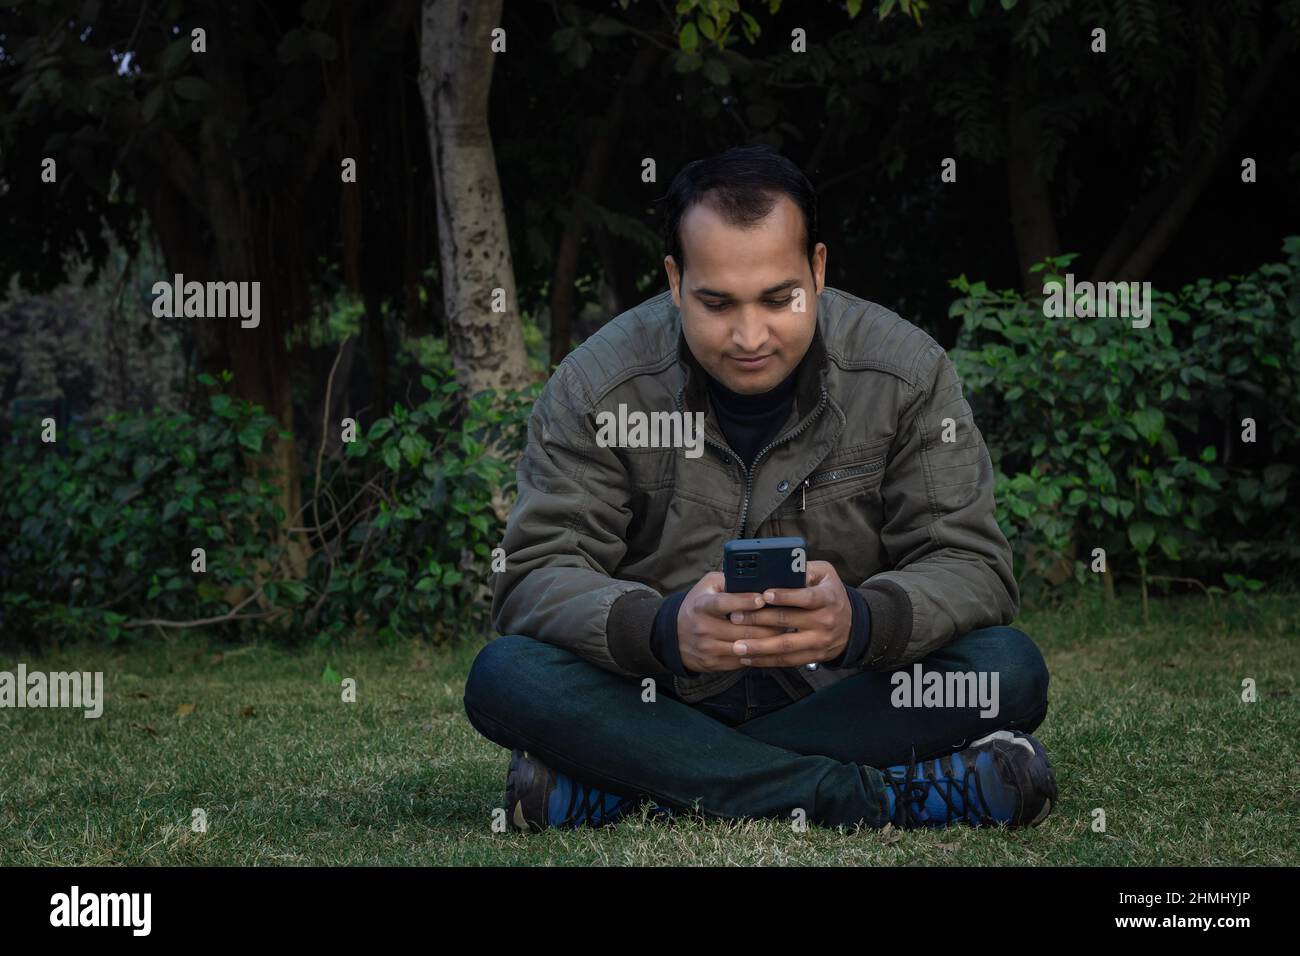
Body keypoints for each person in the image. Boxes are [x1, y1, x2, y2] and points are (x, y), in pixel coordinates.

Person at [463, 144, 1057, 833]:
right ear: (674, 279)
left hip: (844, 693)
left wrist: (862, 621)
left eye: (779, 299)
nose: (749, 335)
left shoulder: (908, 372)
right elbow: (534, 574)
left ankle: (633, 783)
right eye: (716, 302)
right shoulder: (596, 384)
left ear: (819, 269)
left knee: (1008, 668)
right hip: (658, 696)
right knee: (506, 675)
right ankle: (880, 798)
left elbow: (974, 566)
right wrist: (661, 630)